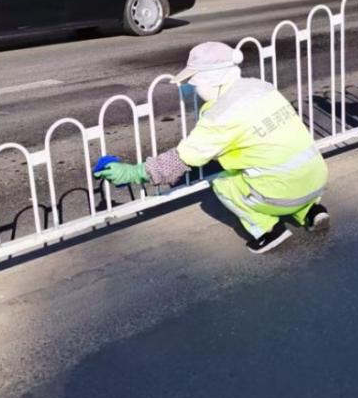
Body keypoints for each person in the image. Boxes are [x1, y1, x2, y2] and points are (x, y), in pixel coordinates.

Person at [95, 42, 329, 254]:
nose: (192, 90)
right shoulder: (259, 86)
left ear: (209, 81)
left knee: (223, 184)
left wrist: (131, 172)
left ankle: (269, 231)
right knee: (279, 167)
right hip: (317, 178)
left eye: (193, 83)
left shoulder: (221, 115)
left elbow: (180, 160)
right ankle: (310, 212)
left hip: (283, 191)